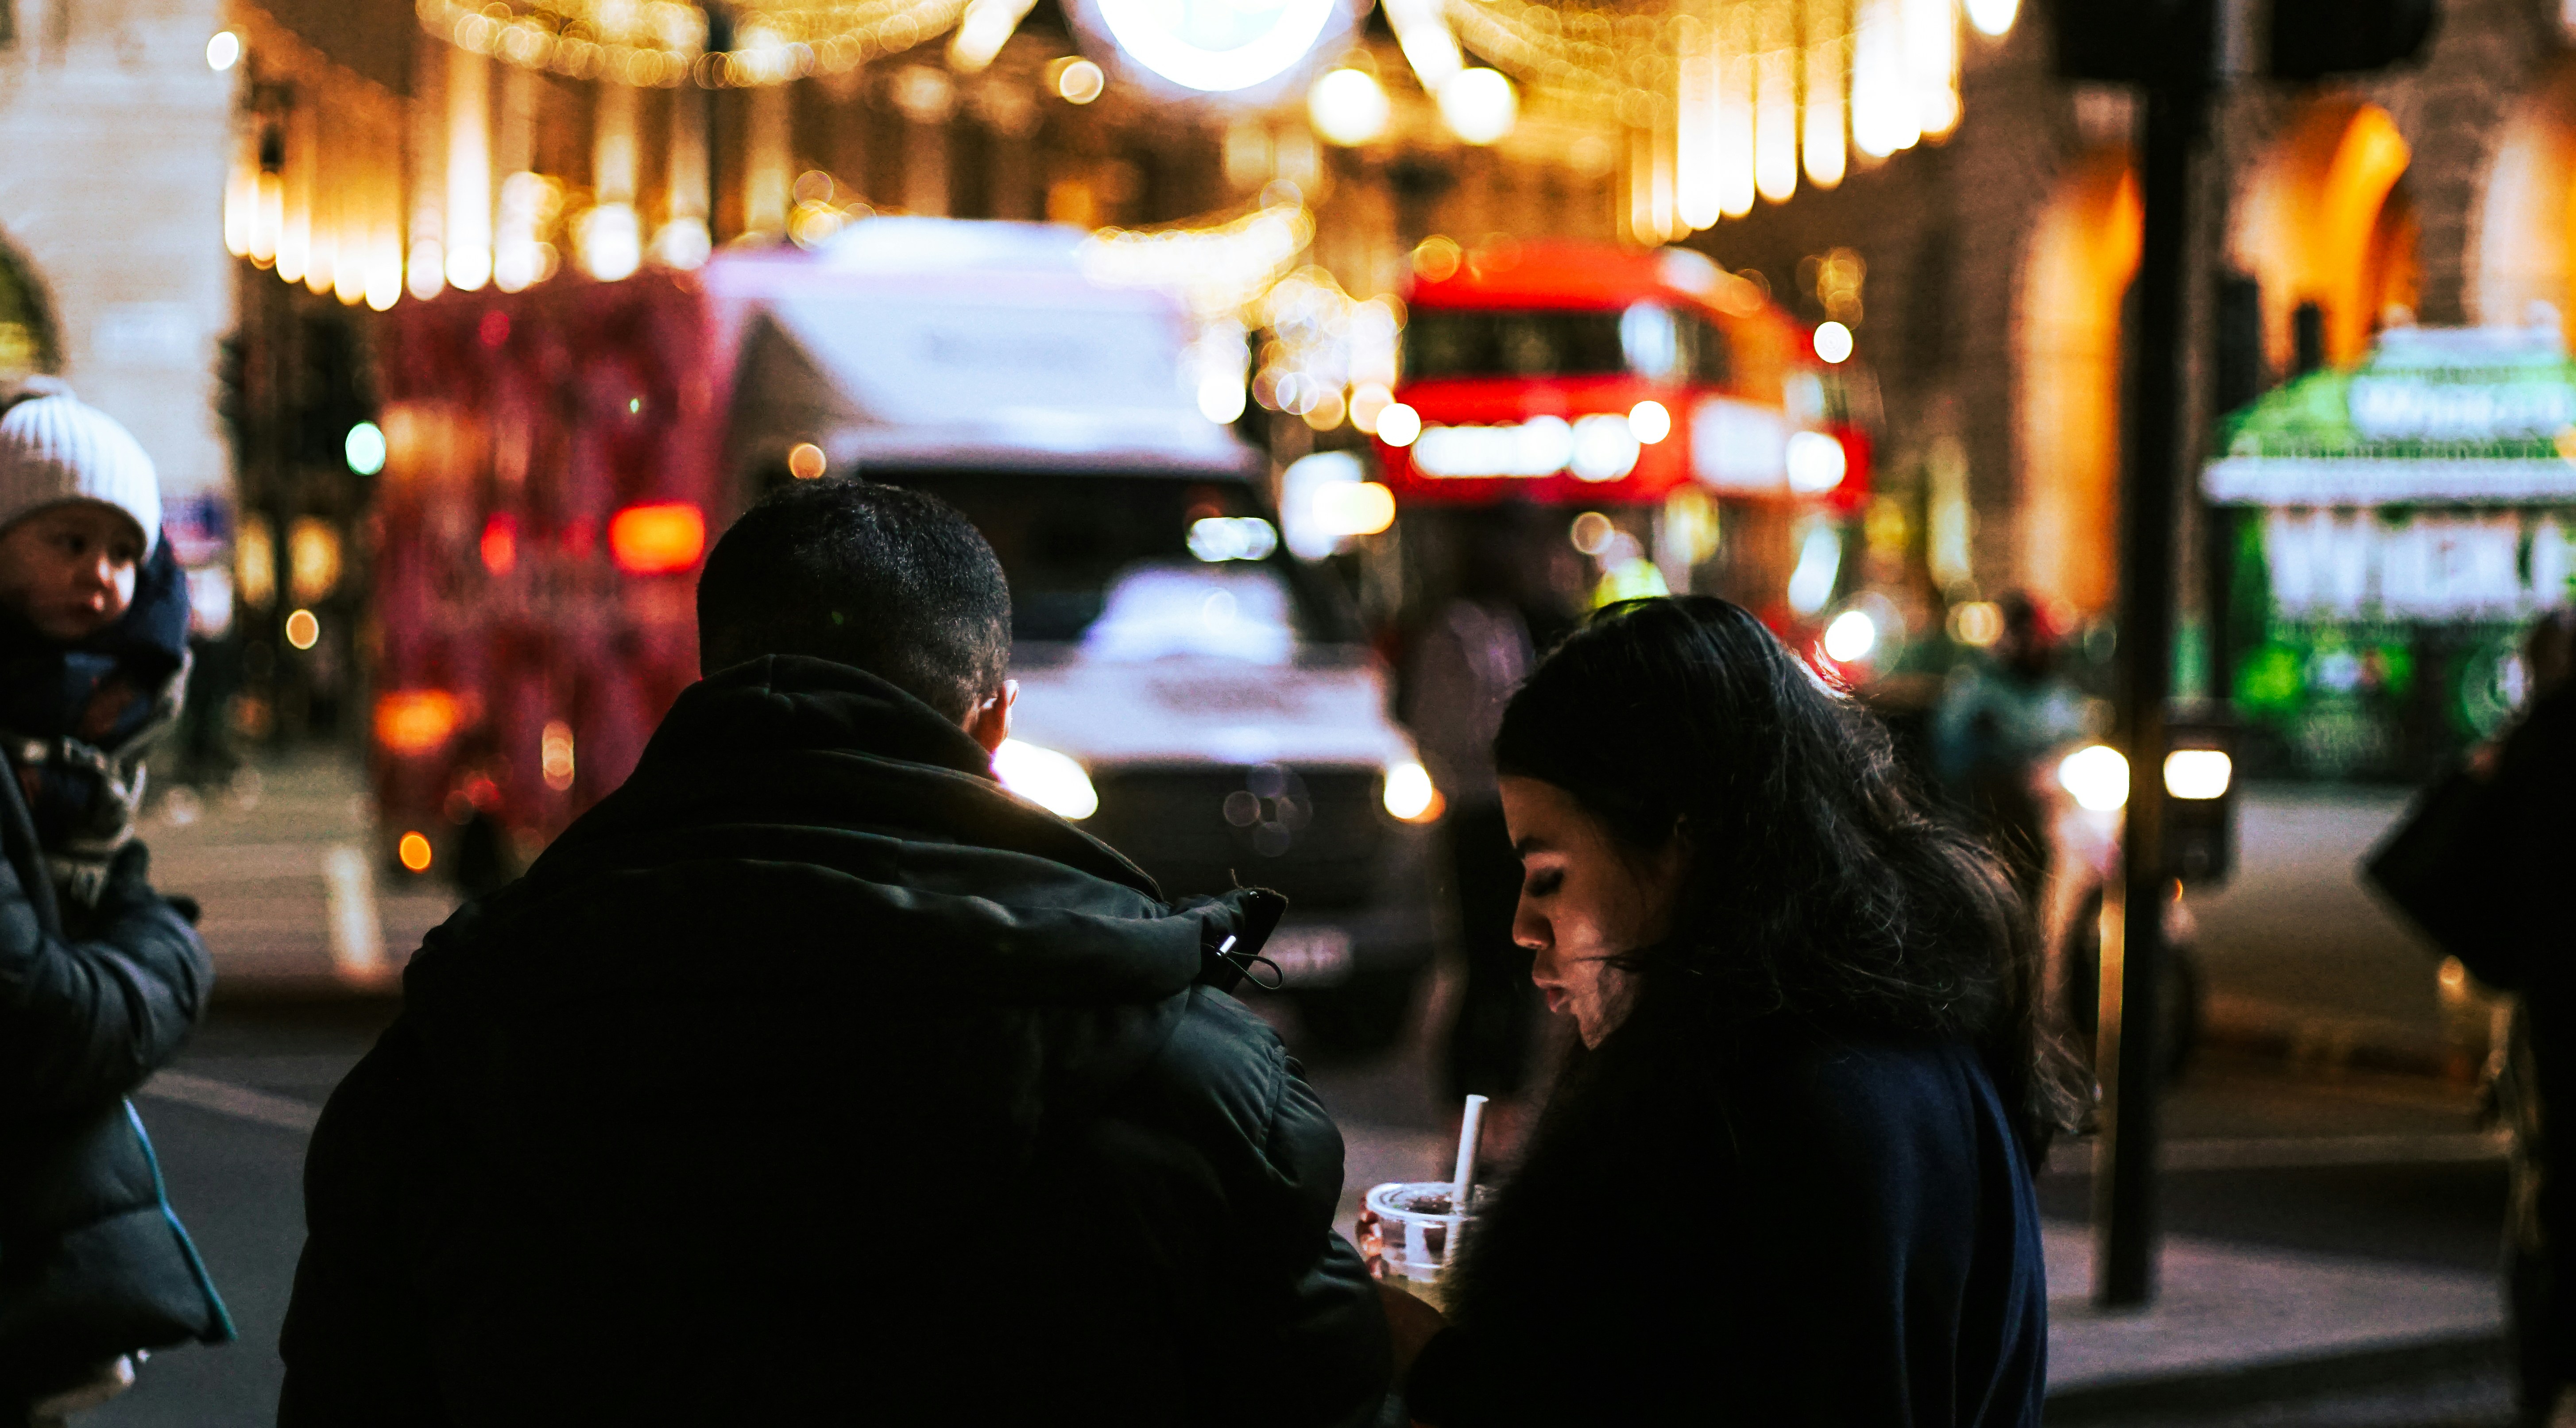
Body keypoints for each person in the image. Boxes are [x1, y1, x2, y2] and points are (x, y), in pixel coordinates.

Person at [278, 477, 1389, 1425]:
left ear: (711, 690)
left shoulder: (451, 1058)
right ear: (993, 723)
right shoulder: (1193, 1075)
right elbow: (1321, 1387)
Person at [1385, 596, 2073, 1426]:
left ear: (1679, 848)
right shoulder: (1894, 1053)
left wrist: (1430, 1364)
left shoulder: (1768, 1123)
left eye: (1549, 877)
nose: (1523, 928)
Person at [0, 381, 232, 1423]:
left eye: (122, 552)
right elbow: (38, 1024)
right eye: (67, 539)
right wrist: (171, 954)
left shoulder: (83, 736)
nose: (101, 575)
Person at [1402, 517, 1538, 1130]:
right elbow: (1441, 729)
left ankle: (1504, 1100)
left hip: (1513, 809)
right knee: (1484, 957)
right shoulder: (1451, 633)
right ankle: (1465, 1106)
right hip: (1477, 813)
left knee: (1521, 961)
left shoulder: (1506, 624)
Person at [1931, 591, 2090, 906]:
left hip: (2057, 808)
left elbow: (2076, 735)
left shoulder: (2057, 693)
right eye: (2029, 635)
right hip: (1990, 815)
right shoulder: (1976, 690)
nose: (2038, 645)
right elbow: (1952, 750)